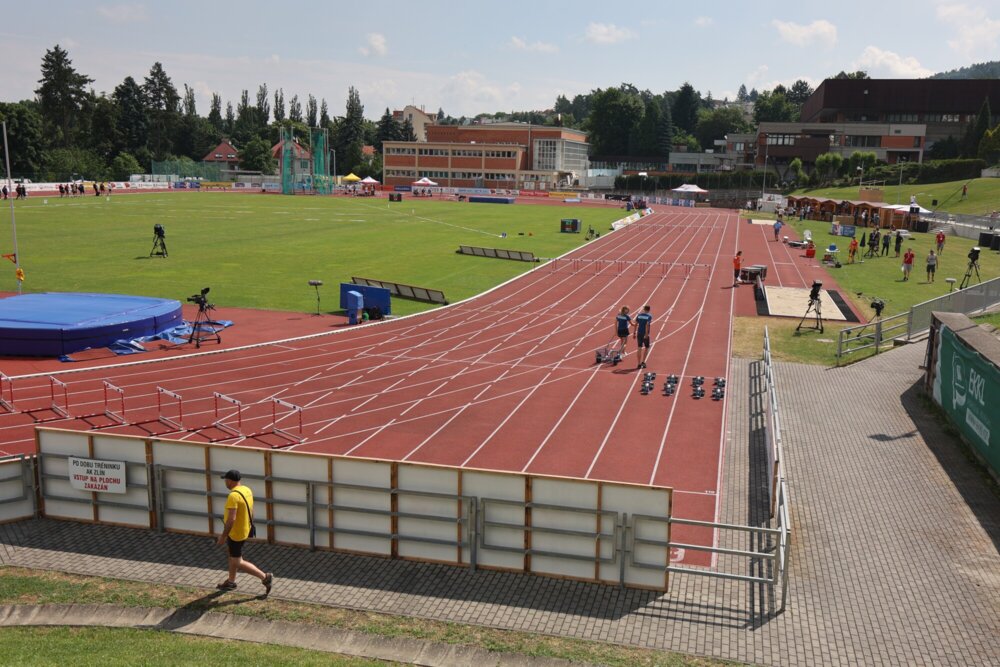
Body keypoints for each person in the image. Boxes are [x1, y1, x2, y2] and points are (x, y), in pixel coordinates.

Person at [215, 469, 273, 595]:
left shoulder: (233, 496)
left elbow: (231, 519)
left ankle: (265, 577)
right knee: (232, 556)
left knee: (237, 561)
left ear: (230, 481)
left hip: (235, 533)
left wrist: (223, 536)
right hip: (245, 529)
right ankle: (231, 581)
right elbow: (251, 510)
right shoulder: (247, 490)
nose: (225, 481)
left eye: (225, 479)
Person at [633, 305, 652, 369]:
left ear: (644, 309)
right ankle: (643, 362)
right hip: (645, 334)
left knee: (639, 348)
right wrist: (646, 334)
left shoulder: (639, 315)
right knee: (646, 347)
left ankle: (638, 363)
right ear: (649, 310)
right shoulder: (649, 316)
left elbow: (635, 324)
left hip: (639, 333)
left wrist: (634, 333)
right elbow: (647, 325)